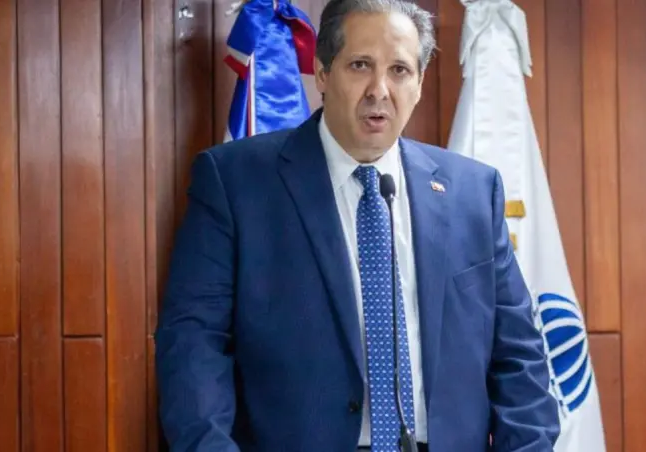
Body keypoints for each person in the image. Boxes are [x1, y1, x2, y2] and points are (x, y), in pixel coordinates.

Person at [154, 0, 561, 450]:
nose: (379, 90)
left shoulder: (473, 193)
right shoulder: (236, 182)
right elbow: (194, 345)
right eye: (360, 65)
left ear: (420, 83)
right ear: (323, 72)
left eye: (399, 70)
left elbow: (519, 357)